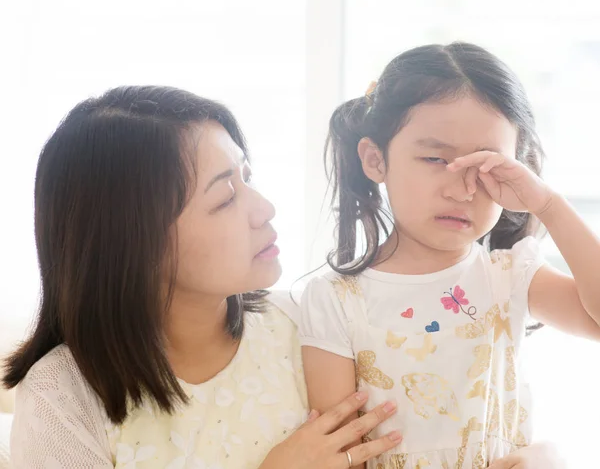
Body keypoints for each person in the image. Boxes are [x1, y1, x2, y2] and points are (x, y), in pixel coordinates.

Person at [1, 85, 564, 469]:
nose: (263, 207)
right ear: (131, 237)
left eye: (248, 178)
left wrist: (539, 454)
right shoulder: (63, 392)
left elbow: (459, 414)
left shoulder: (311, 325)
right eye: (224, 197)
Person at [299, 42, 600, 469]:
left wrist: (547, 204)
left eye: (487, 168)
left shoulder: (510, 275)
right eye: (435, 158)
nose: (461, 190)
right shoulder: (334, 299)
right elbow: (340, 456)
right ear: (375, 159)